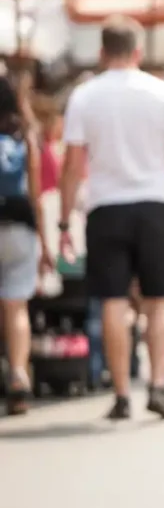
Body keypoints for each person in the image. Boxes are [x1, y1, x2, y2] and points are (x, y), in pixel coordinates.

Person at [59, 16, 164, 421]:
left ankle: (121, 392)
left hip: (105, 207)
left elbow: (72, 167)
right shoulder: (163, 93)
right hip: (155, 205)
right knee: (159, 301)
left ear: (101, 52)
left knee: (114, 301)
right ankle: (156, 384)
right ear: (137, 51)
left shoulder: (84, 96)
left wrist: (65, 222)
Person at [0, 77, 52, 414]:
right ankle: (19, 373)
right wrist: (45, 244)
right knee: (16, 306)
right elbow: (36, 198)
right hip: (18, 227)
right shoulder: (26, 138)